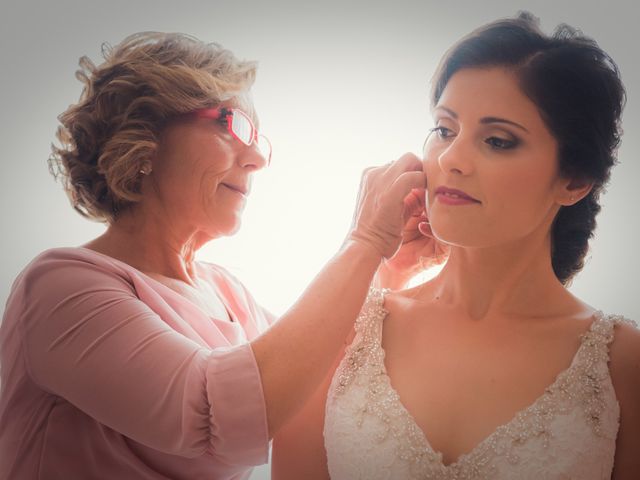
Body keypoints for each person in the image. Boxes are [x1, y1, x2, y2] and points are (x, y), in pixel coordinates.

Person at [0, 32, 443, 479]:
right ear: (145, 138)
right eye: (233, 124)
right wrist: (364, 241)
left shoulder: (228, 293)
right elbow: (215, 414)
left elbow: (316, 383)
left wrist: (391, 265)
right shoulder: (60, 287)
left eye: (258, 137)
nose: (257, 159)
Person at [272, 12, 640, 480]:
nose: (451, 159)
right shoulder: (344, 332)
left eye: (498, 141)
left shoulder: (622, 365)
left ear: (574, 180)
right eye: (445, 129)